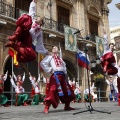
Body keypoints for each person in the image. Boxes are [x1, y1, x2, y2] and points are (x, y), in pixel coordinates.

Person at [40, 46, 75, 113]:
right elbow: (42, 63)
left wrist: (65, 72)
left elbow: (64, 66)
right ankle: (46, 107)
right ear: (52, 50)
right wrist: (50, 70)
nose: (54, 49)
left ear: (58, 50)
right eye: (53, 48)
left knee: (67, 90)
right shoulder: (50, 57)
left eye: (56, 48)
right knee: (53, 89)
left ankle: (67, 106)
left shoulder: (60, 58)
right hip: (55, 75)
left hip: (62, 76)